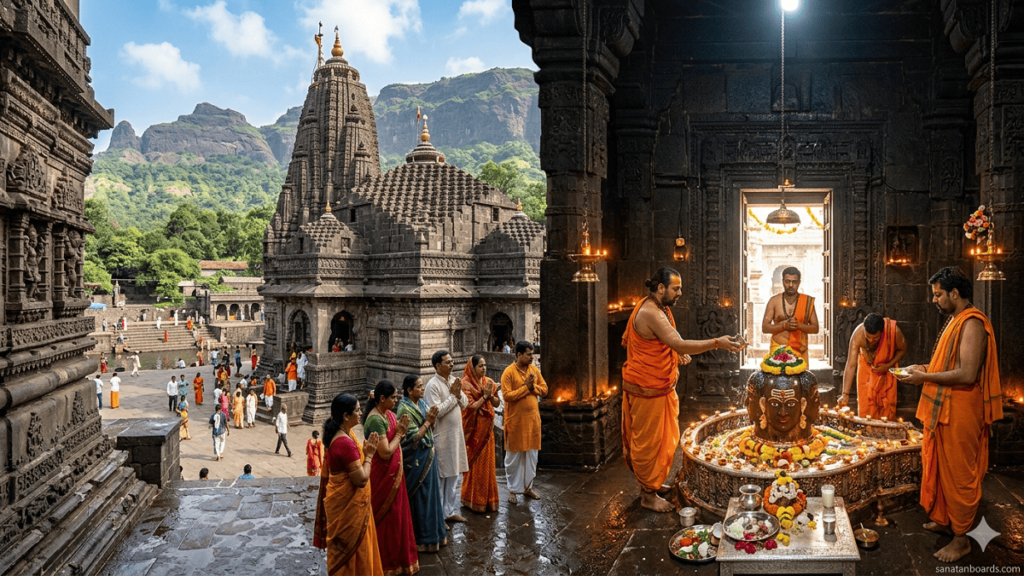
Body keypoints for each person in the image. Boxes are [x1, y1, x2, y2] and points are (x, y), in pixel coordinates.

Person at [895, 267, 1002, 563]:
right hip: (945, 407)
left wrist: (924, 380)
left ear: (955, 294)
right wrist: (924, 368)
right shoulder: (956, 320)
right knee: (940, 469)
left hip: (961, 410)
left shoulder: (972, 323)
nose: (934, 300)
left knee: (959, 475)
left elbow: (967, 374)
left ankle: (961, 539)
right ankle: (945, 519)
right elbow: (948, 364)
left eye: (938, 294)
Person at [622, 268, 745, 512]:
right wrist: (716, 342)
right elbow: (676, 340)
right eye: (676, 288)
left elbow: (665, 341)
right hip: (647, 388)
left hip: (660, 387)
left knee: (664, 439)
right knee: (649, 443)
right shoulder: (650, 312)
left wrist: (675, 353)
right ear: (661, 288)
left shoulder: (659, 308)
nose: (680, 293)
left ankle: (654, 484)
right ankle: (648, 494)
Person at [313, 393, 383, 575]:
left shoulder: (342, 433)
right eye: (357, 410)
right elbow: (360, 479)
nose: (360, 413)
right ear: (345, 416)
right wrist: (368, 455)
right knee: (354, 554)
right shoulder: (344, 443)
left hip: (342, 504)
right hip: (349, 509)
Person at [363, 381, 419, 575]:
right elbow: (385, 452)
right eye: (393, 397)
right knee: (386, 521)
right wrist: (401, 434)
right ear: (382, 399)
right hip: (382, 477)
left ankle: (397, 561)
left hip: (394, 476)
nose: (396, 401)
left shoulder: (388, 415)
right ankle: (384, 563)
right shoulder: (375, 420)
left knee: (396, 519)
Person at [397, 375, 447, 552]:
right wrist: (428, 422)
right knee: (420, 497)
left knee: (432, 495)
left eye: (422, 385)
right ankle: (421, 538)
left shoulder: (422, 404)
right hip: (416, 459)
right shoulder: (404, 408)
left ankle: (434, 535)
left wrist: (430, 423)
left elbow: (429, 427)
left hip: (428, 455)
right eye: (419, 386)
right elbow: (411, 437)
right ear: (409, 391)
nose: (422, 389)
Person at [501, 342, 548, 504]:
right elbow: (507, 396)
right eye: (528, 354)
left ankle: (528, 487)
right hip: (516, 421)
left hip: (533, 421)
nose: (531, 357)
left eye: (532, 354)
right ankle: (513, 490)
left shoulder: (534, 370)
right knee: (514, 458)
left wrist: (532, 387)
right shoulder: (508, 372)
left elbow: (545, 389)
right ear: (519, 354)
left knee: (531, 456)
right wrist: (526, 388)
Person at [425, 350, 469, 523]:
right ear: (438, 366)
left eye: (452, 362)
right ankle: (438, 517)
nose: (452, 365)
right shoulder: (432, 386)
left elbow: (465, 404)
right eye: (448, 362)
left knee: (454, 476)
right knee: (442, 478)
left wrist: (457, 394)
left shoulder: (453, 380)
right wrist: (453, 396)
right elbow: (437, 412)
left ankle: (448, 512)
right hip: (442, 438)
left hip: (456, 437)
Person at [838, 313, 907, 420]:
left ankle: (886, 434)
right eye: (868, 337)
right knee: (866, 406)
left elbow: (903, 350)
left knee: (887, 406)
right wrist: (845, 394)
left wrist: (888, 366)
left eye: (875, 338)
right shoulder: (858, 334)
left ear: (882, 332)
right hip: (866, 367)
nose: (871, 340)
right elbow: (851, 365)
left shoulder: (894, 331)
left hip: (886, 368)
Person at [461, 355, 500, 512]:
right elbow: (471, 407)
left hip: (487, 431)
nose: (484, 368)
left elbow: (496, 403)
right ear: (472, 368)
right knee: (475, 466)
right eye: (480, 366)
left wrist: (489, 395)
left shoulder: (488, 382)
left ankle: (488, 501)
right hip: (474, 433)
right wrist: (484, 396)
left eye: (485, 365)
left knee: (488, 466)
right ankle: (472, 499)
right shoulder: (465, 385)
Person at [761, 266, 819, 364]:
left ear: (799, 282)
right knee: (777, 379)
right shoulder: (774, 301)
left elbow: (815, 328)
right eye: (787, 281)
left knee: (801, 379)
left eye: (794, 282)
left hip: (799, 351)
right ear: (783, 281)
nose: (791, 285)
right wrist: (784, 326)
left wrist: (798, 325)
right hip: (778, 349)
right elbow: (765, 328)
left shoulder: (807, 302)